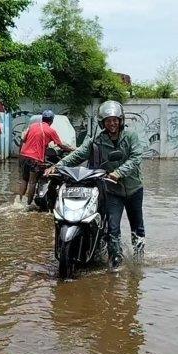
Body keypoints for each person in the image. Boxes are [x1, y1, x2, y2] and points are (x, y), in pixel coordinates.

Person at [46, 101, 145, 270]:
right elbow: (78, 155)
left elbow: (136, 158)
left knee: (137, 226)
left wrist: (118, 173)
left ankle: (139, 259)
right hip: (112, 190)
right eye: (108, 120)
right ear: (102, 123)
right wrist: (58, 166)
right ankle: (116, 262)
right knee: (113, 227)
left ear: (121, 120)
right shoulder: (97, 141)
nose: (112, 123)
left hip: (134, 188)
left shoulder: (131, 137)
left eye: (115, 120)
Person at [16, 110, 74, 205]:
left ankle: (19, 202)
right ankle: (28, 205)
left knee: (24, 180)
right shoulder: (51, 131)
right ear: (51, 121)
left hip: (24, 156)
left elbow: (23, 140)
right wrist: (72, 150)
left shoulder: (32, 126)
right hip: (35, 159)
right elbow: (61, 145)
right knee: (32, 182)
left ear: (42, 118)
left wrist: (20, 156)